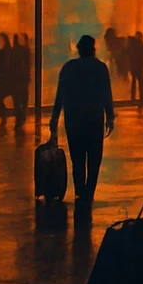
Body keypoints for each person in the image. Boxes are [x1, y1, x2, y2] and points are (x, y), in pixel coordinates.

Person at [48, 35, 116, 206]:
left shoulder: (68, 68)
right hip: (94, 119)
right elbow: (106, 93)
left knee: (77, 159)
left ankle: (79, 191)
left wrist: (54, 119)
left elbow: (60, 95)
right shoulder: (100, 68)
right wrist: (110, 116)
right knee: (94, 159)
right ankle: (89, 192)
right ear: (93, 48)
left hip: (74, 119)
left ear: (78, 49)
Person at [0, 32, 14, 130]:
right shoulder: (10, 52)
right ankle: (9, 115)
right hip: (8, 79)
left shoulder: (1, 53)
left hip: (3, 79)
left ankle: (3, 116)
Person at [10, 33, 32, 129]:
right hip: (22, 78)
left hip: (15, 78)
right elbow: (28, 64)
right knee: (23, 97)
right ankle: (22, 113)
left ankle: (19, 114)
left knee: (16, 98)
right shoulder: (24, 50)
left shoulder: (12, 51)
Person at [128, 31, 143, 103]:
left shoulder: (138, 46)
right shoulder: (141, 46)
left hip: (138, 67)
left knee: (138, 83)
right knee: (138, 83)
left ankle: (137, 99)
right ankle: (139, 99)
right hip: (138, 67)